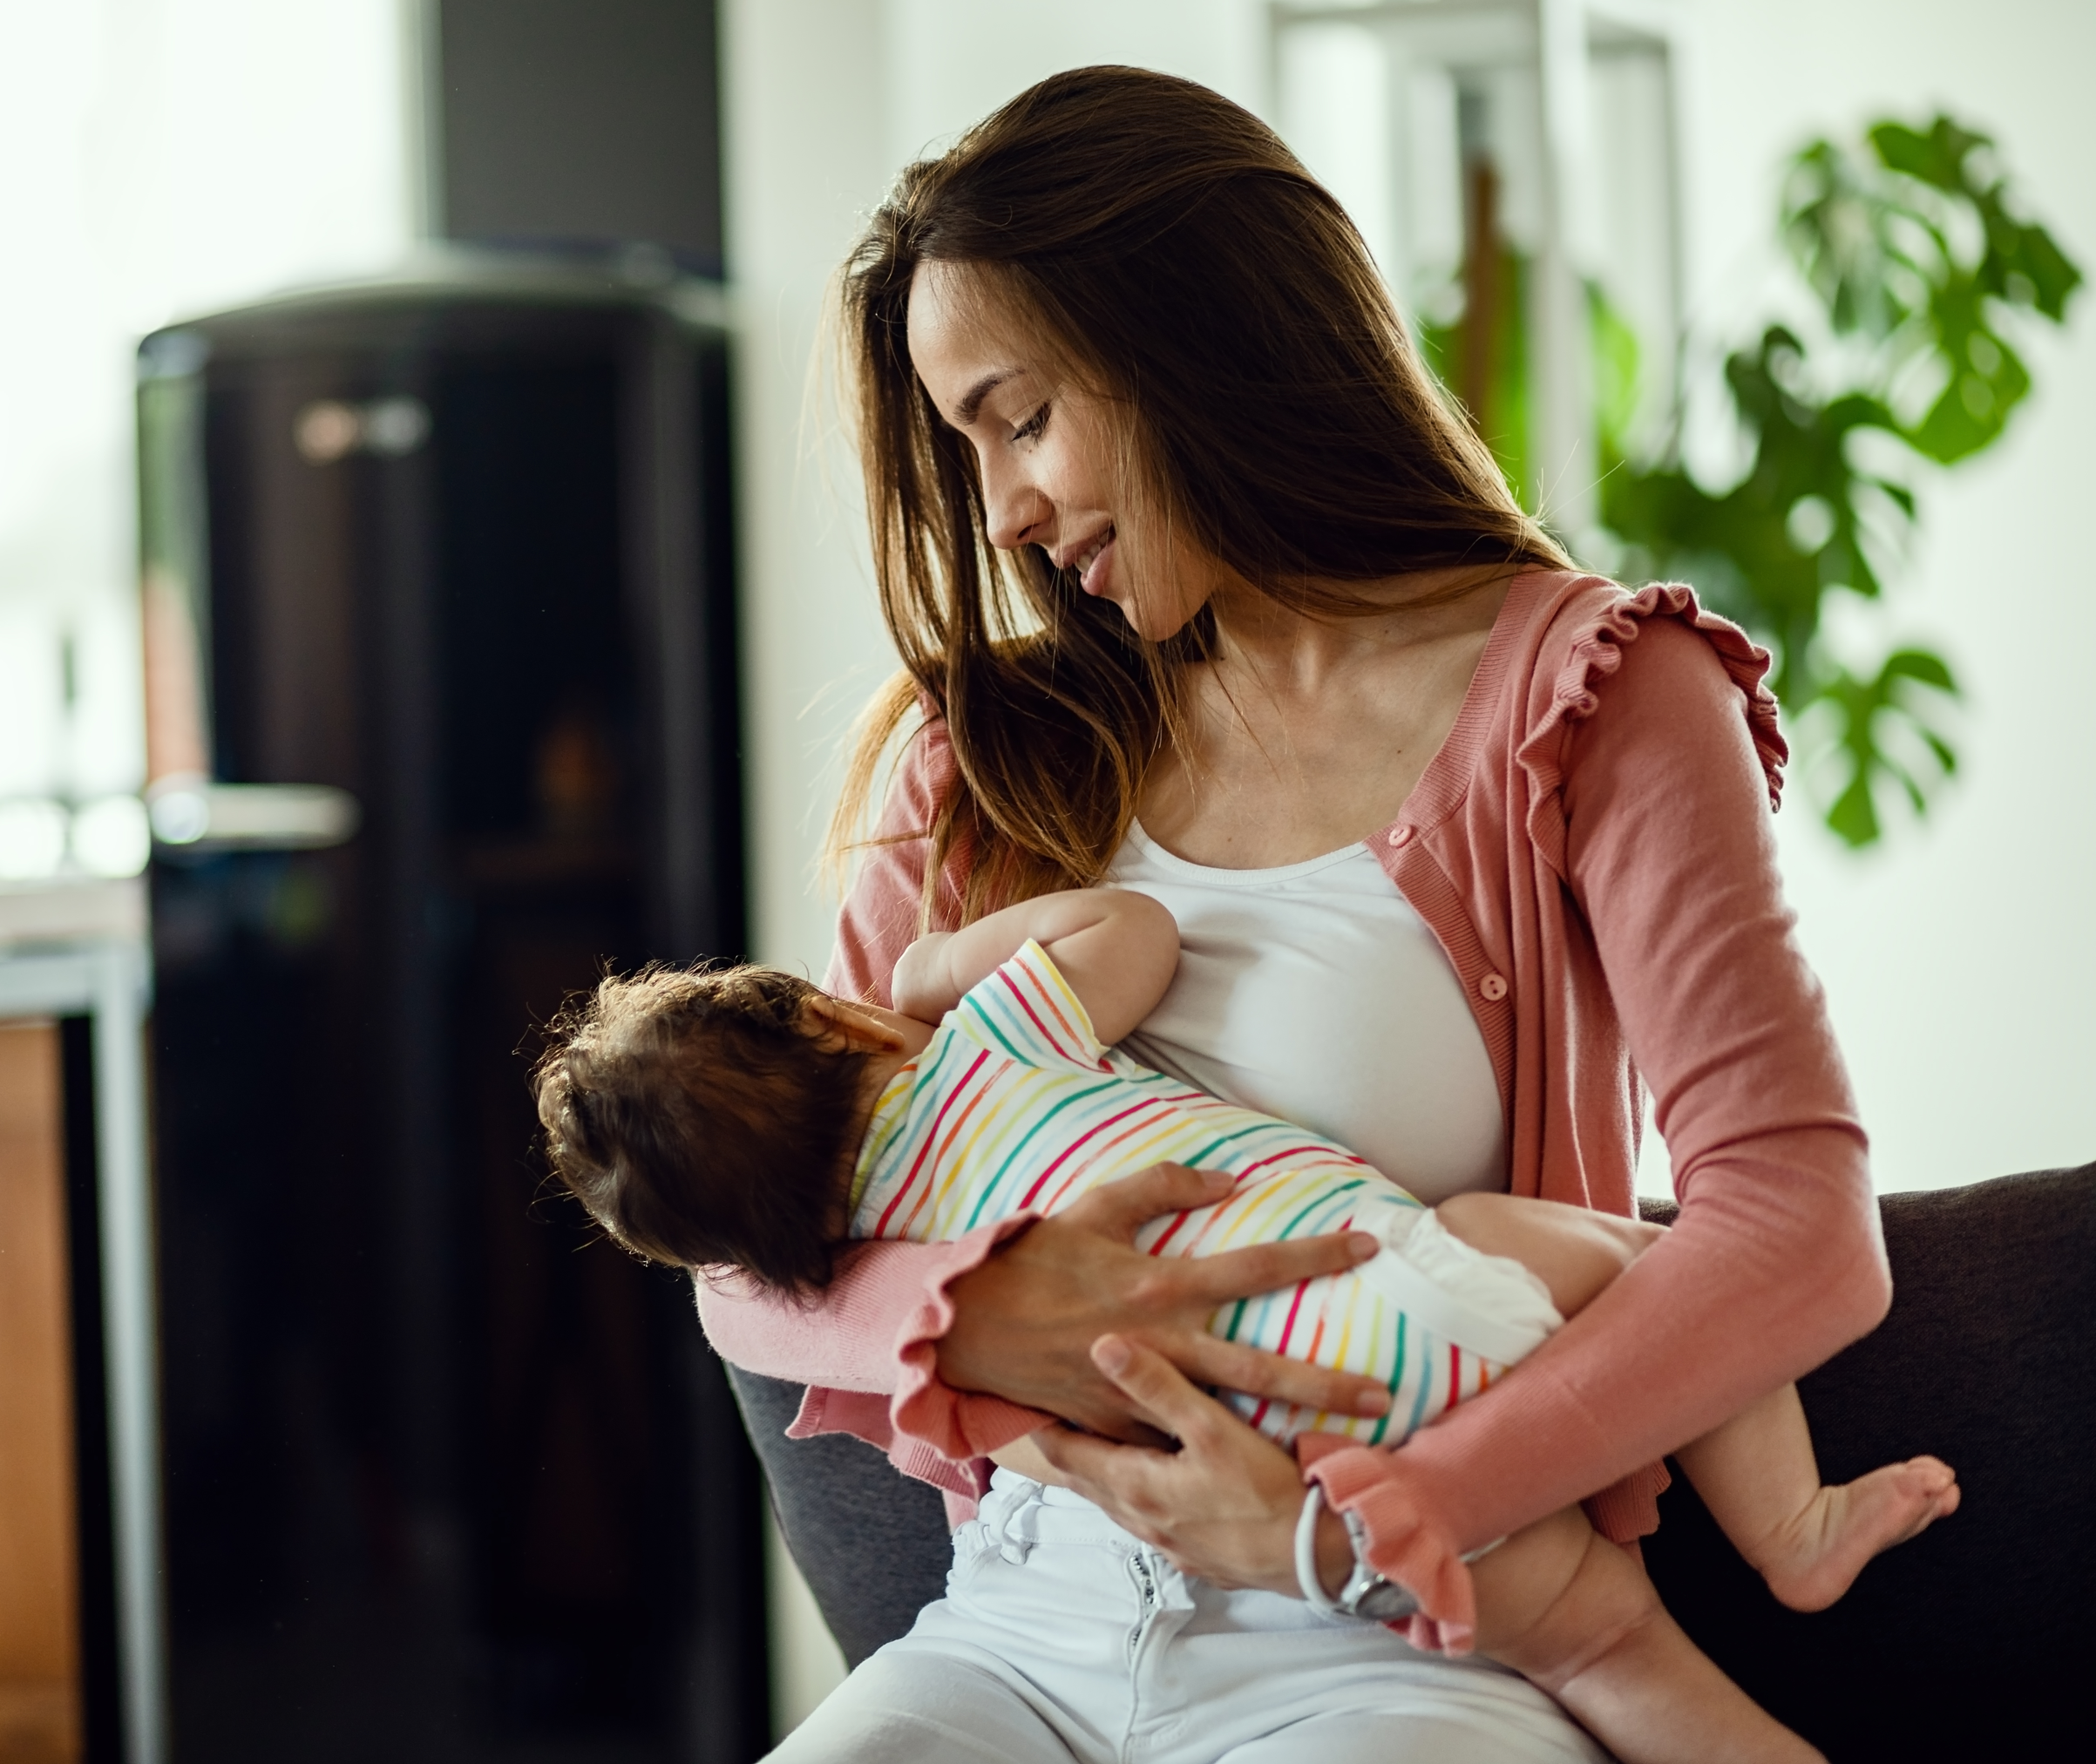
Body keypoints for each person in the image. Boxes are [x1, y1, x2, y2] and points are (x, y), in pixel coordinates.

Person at [695, 63, 1907, 1763]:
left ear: (1192, 335)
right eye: (964, 451)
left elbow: (1792, 1220)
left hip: (1402, 1641)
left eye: (1021, 417)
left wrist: (1387, 1510)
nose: (1005, 516)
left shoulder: (1596, 698)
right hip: (1016, 1632)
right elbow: (746, 1257)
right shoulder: (978, 763)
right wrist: (969, 1310)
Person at [538, 888, 1957, 1761]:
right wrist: (940, 967)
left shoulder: (876, 1252)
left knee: (1600, 1648)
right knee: (1641, 1268)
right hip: (1396, 1328)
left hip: (1233, 1454)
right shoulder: (985, 1040)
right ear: (842, 1027)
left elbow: (749, 1296)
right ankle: (1791, 1528)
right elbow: (1132, 933)